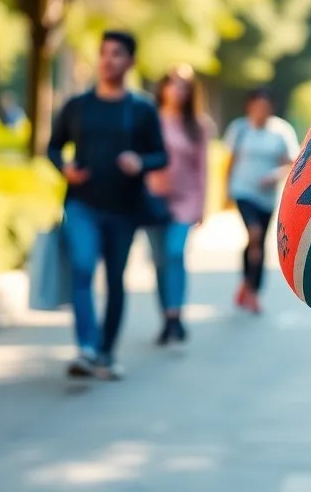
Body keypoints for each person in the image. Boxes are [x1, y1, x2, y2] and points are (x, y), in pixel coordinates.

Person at [46, 31, 167, 380]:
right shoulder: (78, 105)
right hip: (82, 205)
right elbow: (53, 147)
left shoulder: (142, 109)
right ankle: (86, 347)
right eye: (103, 53)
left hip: (124, 210)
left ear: (130, 62)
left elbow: (160, 155)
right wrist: (64, 167)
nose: (108, 60)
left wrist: (140, 162)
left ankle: (106, 353)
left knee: (115, 280)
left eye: (116, 54)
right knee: (83, 269)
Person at [145, 65, 212, 346]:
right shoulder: (149, 121)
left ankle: (175, 316)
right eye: (172, 83)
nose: (178, 90)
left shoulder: (198, 125)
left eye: (184, 85)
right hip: (153, 200)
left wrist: (201, 207)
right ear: (162, 87)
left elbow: (202, 169)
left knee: (175, 253)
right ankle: (166, 317)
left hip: (185, 201)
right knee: (159, 261)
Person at [224, 87, 299, 314]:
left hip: (266, 197)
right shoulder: (239, 129)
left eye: (265, 107)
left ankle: (250, 286)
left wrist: (274, 175)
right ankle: (250, 291)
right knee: (253, 234)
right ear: (249, 107)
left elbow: (291, 162)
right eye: (257, 106)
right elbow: (231, 161)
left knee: (257, 242)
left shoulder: (281, 131)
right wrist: (225, 192)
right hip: (243, 191)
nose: (261, 111)